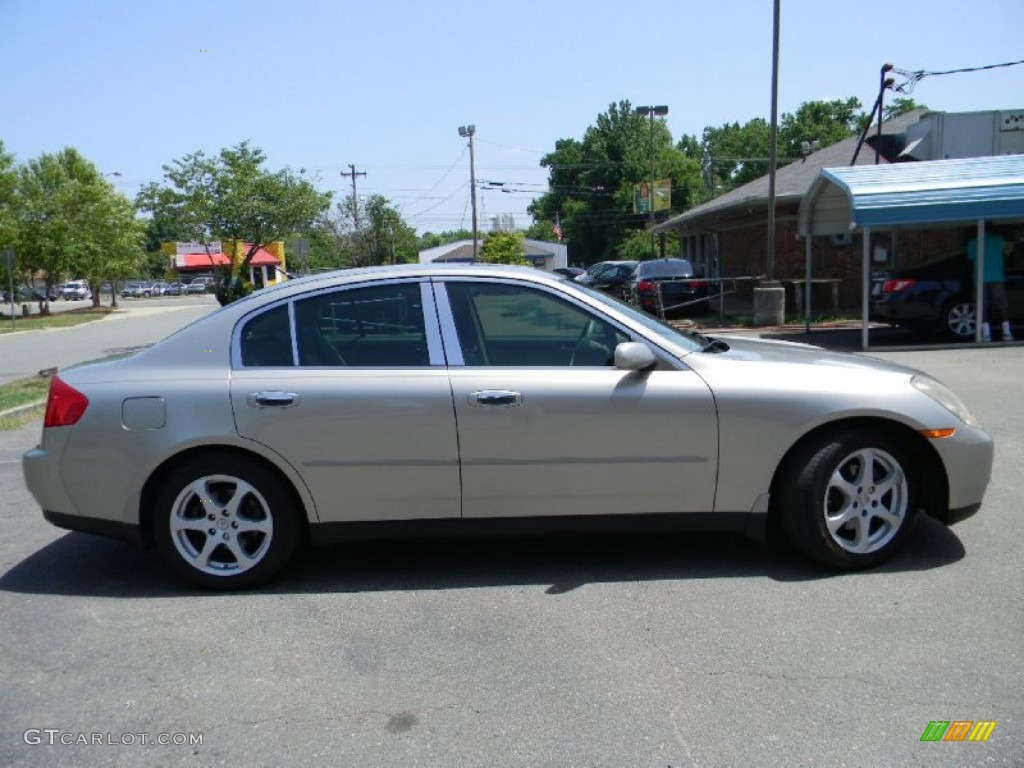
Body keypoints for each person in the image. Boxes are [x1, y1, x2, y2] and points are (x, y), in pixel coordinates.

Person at [967, 223, 1013, 342]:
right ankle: (1006, 332)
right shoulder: (999, 240)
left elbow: (971, 258)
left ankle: (986, 333)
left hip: (980, 278)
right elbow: (1008, 252)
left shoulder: (973, 243)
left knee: (982, 306)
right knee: (1001, 304)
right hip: (996, 275)